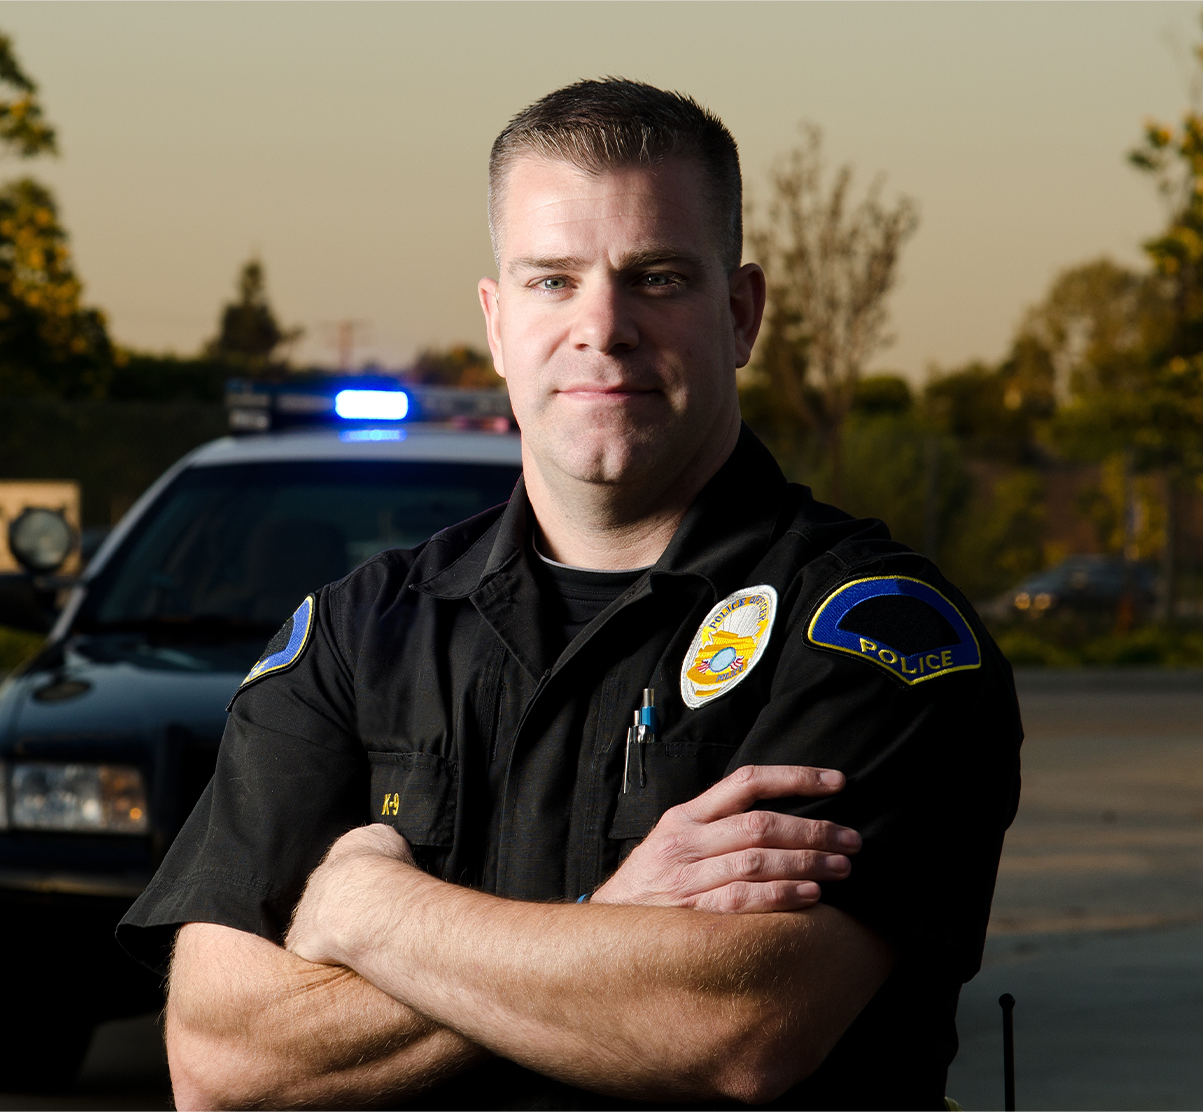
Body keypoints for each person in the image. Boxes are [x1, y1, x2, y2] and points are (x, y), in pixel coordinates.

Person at [118, 78, 1022, 1110]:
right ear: (497, 322)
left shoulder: (874, 632)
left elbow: (736, 1024)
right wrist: (611, 914)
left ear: (739, 313)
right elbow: (222, 1059)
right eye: (554, 281)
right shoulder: (357, 635)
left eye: (658, 277)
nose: (604, 325)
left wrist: (370, 911)